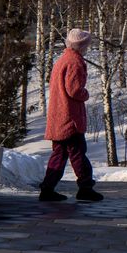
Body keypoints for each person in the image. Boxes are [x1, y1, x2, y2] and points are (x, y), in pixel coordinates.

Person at [39, 28, 103, 202]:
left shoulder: (62, 60)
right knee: (78, 153)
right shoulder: (75, 62)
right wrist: (86, 94)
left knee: (59, 154)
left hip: (58, 116)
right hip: (69, 117)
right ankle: (85, 188)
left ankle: (47, 189)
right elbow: (74, 89)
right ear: (82, 46)